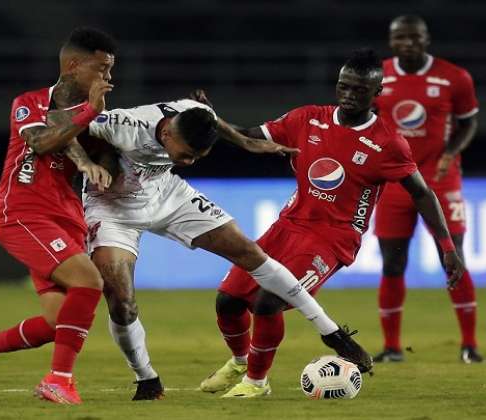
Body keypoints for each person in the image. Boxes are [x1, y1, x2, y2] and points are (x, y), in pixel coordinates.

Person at [198, 48, 465, 398]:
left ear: (376, 93)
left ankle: (256, 383)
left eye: (358, 89)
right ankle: (239, 362)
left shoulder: (388, 143)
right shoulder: (307, 118)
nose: (349, 95)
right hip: (287, 225)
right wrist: (212, 121)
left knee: (268, 302)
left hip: (331, 239)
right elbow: (251, 136)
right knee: (228, 301)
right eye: (344, 86)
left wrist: (446, 247)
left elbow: (423, 193)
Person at [72, 95, 372, 400]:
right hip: (112, 207)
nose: (189, 162)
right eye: (186, 155)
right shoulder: (123, 125)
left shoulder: (194, 111)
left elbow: (209, 116)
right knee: (122, 303)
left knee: (250, 253)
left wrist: (245, 142)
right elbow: (64, 128)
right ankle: (147, 378)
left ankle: (330, 332)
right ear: (166, 134)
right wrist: (85, 162)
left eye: (197, 157)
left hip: (167, 194)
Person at [0, 27, 117, 405]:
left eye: (110, 70)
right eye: (102, 68)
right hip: (22, 212)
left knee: (61, 321)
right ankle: (59, 380)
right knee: (89, 283)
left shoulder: (93, 115)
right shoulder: (29, 102)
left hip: (65, 218)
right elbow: (42, 142)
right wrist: (91, 110)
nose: (108, 78)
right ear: (74, 65)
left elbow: (105, 149)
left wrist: (100, 162)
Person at [372, 15, 484, 363]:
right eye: (400, 37)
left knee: (454, 259)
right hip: (394, 182)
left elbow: (468, 122)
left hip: (439, 178)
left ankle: (469, 345)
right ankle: (392, 348)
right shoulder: (378, 76)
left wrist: (451, 152)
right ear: (391, 41)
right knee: (392, 263)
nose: (407, 42)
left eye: (414, 37)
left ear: (426, 39)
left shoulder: (454, 77)